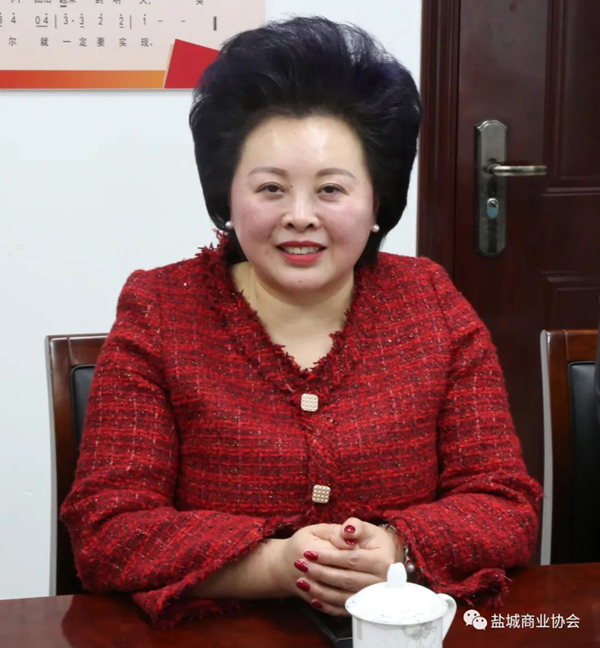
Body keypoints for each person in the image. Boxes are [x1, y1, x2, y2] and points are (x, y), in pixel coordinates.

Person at [60, 16, 542, 628]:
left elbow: (505, 506)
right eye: (270, 188)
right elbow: (107, 530)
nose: (300, 216)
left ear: (377, 201)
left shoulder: (431, 304)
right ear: (228, 198)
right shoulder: (161, 309)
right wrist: (275, 565)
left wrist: (399, 552)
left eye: (331, 190)